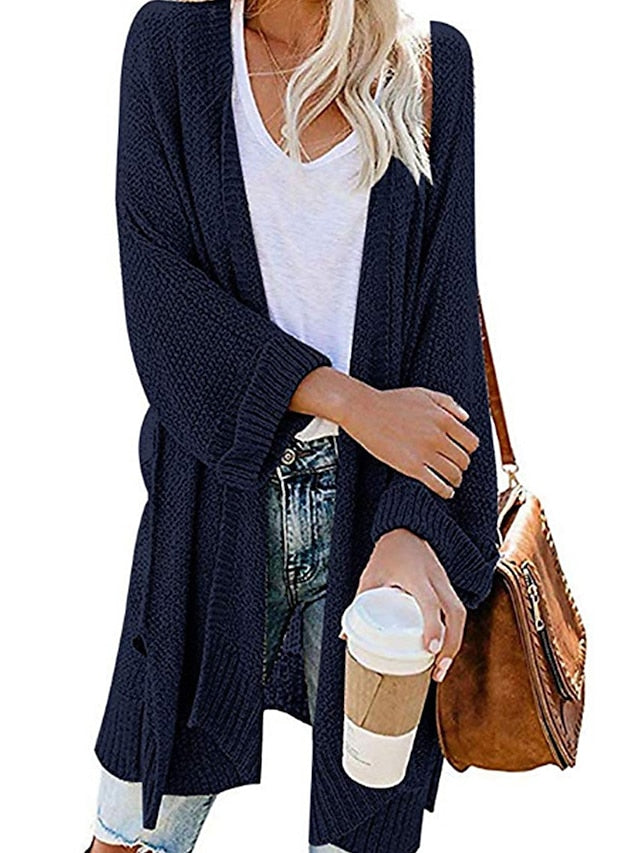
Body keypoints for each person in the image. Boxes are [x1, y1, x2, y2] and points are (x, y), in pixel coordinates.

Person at [85, 0, 499, 851]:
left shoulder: (430, 69)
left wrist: (414, 528)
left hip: (378, 508)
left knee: (362, 826)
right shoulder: (173, 47)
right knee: (130, 826)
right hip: (210, 499)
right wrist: (352, 403)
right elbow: (163, 309)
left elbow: (446, 328)